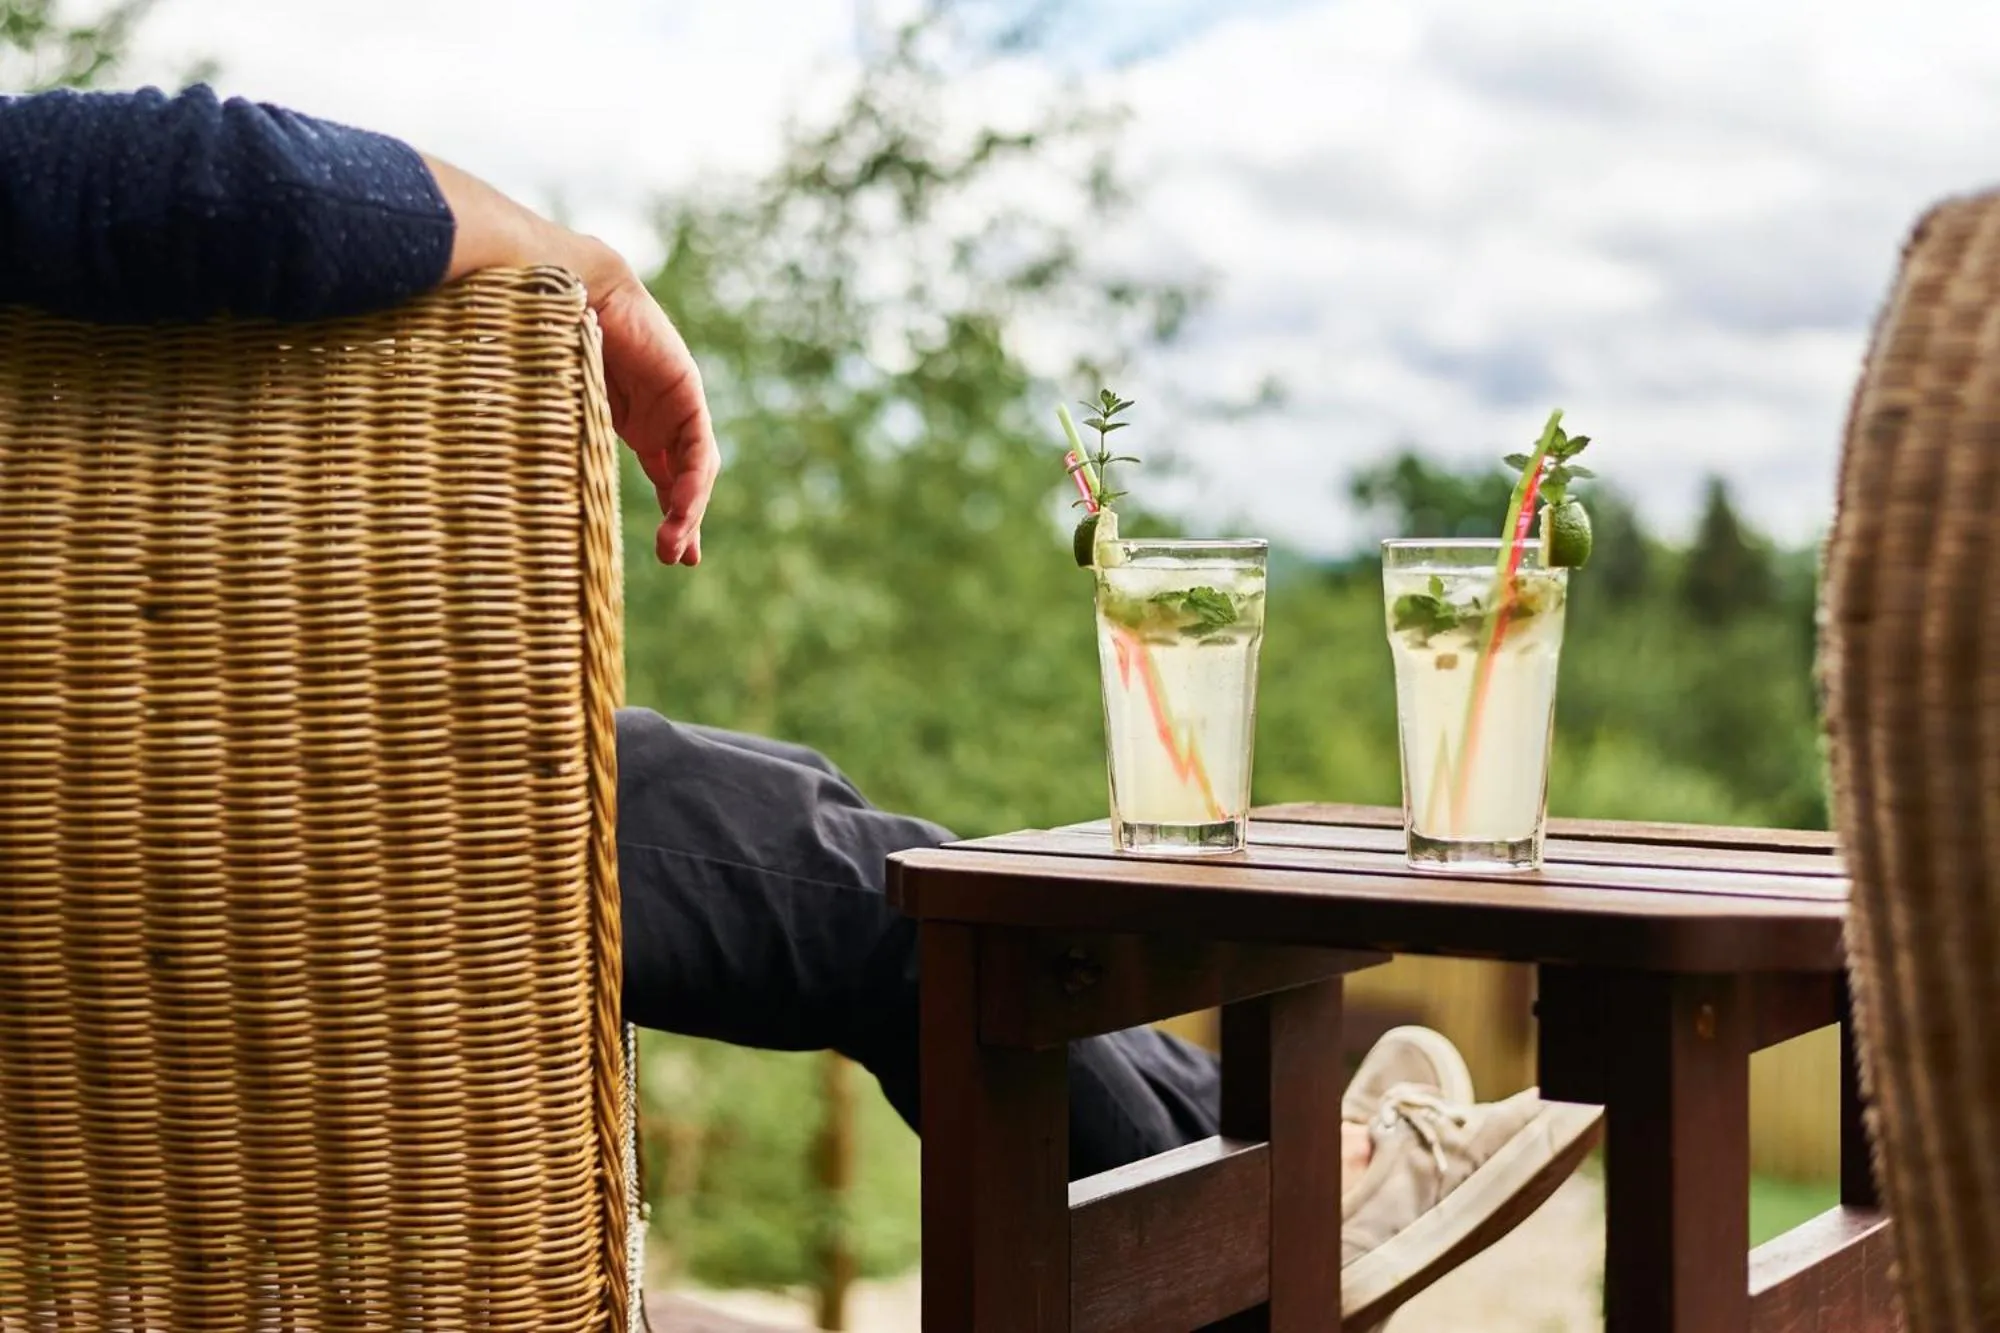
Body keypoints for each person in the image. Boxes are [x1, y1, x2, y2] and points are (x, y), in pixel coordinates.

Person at [0, 84, 1601, 1324]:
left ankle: (1284, 1162)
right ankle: (1284, 1223)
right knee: (875, 897)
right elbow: (235, 190)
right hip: (183, 834)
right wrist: (575, 261)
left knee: (801, 826)